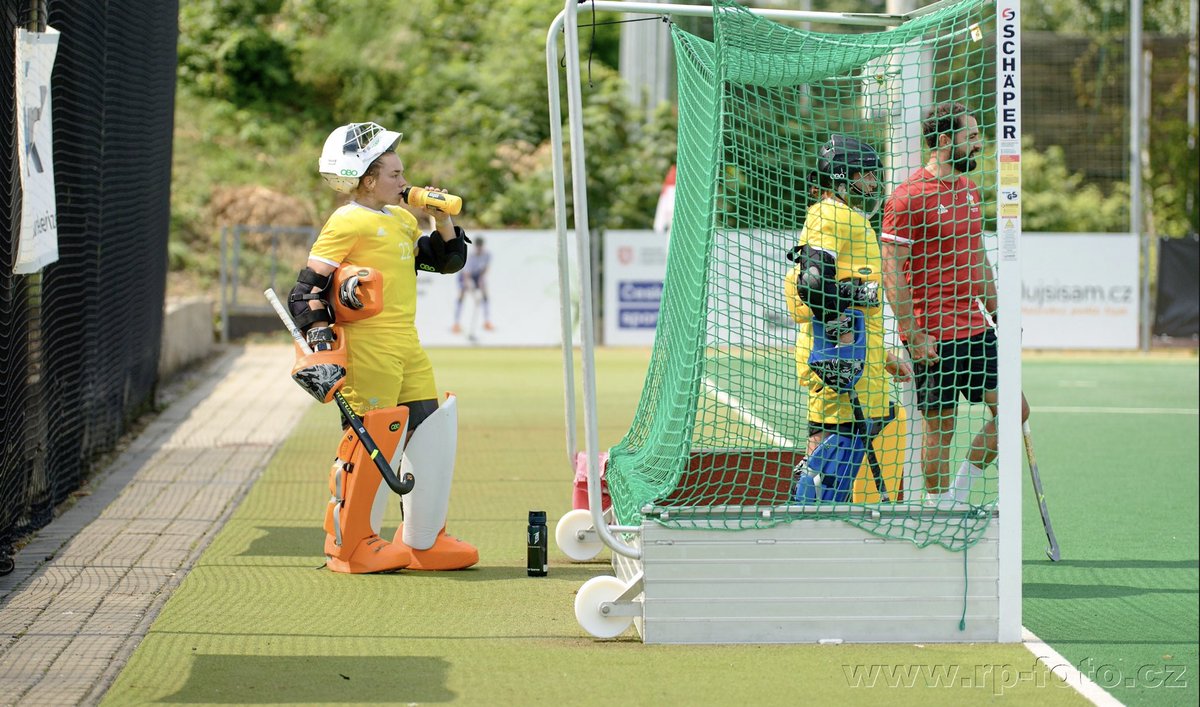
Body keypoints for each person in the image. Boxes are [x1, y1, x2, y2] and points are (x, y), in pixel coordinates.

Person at [287, 121, 478, 573]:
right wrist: (321, 346)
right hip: (367, 346)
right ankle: (352, 544)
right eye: (394, 174)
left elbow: (448, 261)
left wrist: (442, 217)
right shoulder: (347, 220)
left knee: (429, 433)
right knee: (372, 441)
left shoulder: (403, 219)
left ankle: (424, 540)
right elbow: (307, 291)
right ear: (368, 180)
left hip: (407, 344)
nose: (404, 182)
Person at [880, 102, 1031, 505]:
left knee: (1015, 410)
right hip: (933, 335)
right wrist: (912, 333)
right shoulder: (907, 198)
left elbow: (976, 255)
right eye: (971, 136)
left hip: (976, 328)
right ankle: (939, 509)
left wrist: (999, 311)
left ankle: (958, 496)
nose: (978, 144)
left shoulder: (966, 189)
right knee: (941, 431)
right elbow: (892, 272)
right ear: (945, 141)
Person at [784, 135, 911, 503]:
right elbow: (814, 284)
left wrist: (881, 356)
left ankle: (822, 528)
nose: (873, 184)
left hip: (857, 361)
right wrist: (859, 296)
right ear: (844, 177)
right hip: (839, 362)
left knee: (843, 448)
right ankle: (808, 530)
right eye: (866, 176)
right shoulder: (830, 215)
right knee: (832, 454)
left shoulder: (847, 216)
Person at [452, 237, 493, 334]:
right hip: (465, 276)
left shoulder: (487, 255)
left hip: (478, 275)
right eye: (478, 246)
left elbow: (485, 268)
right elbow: (466, 275)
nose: (479, 248)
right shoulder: (470, 256)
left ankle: (487, 321)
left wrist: (481, 279)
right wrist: (474, 295)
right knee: (462, 295)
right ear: (475, 246)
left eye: (481, 246)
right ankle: (456, 324)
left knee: (485, 294)